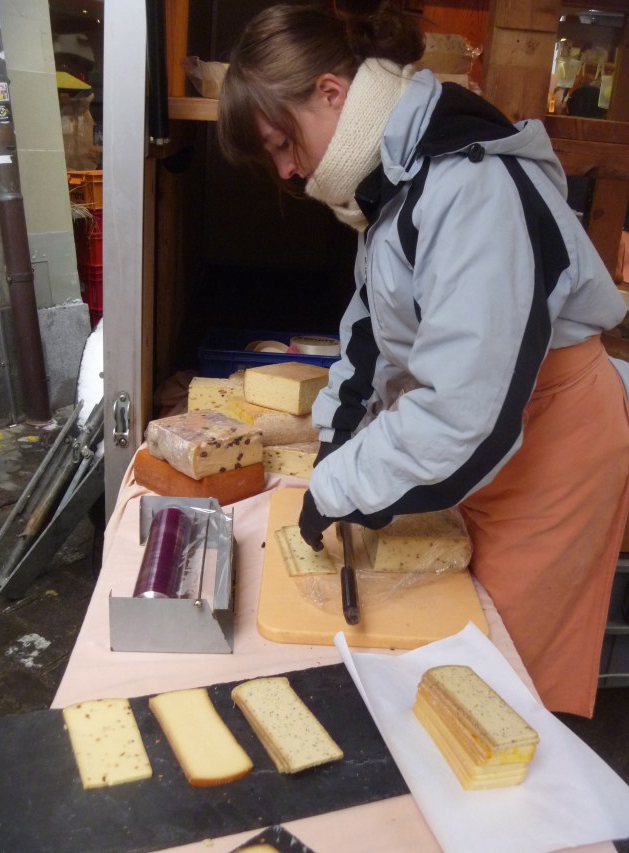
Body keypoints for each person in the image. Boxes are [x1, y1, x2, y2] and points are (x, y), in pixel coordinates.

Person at [217, 1, 629, 718]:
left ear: (332, 93)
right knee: (450, 650)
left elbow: (465, 412)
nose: (286, 170)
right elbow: (369, 327)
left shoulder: (470, 184)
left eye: (283, 142)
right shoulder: (395, 180)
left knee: (494, 692)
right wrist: (334, 445)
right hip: (488, 429)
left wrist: (343, 486)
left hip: (552, 444)